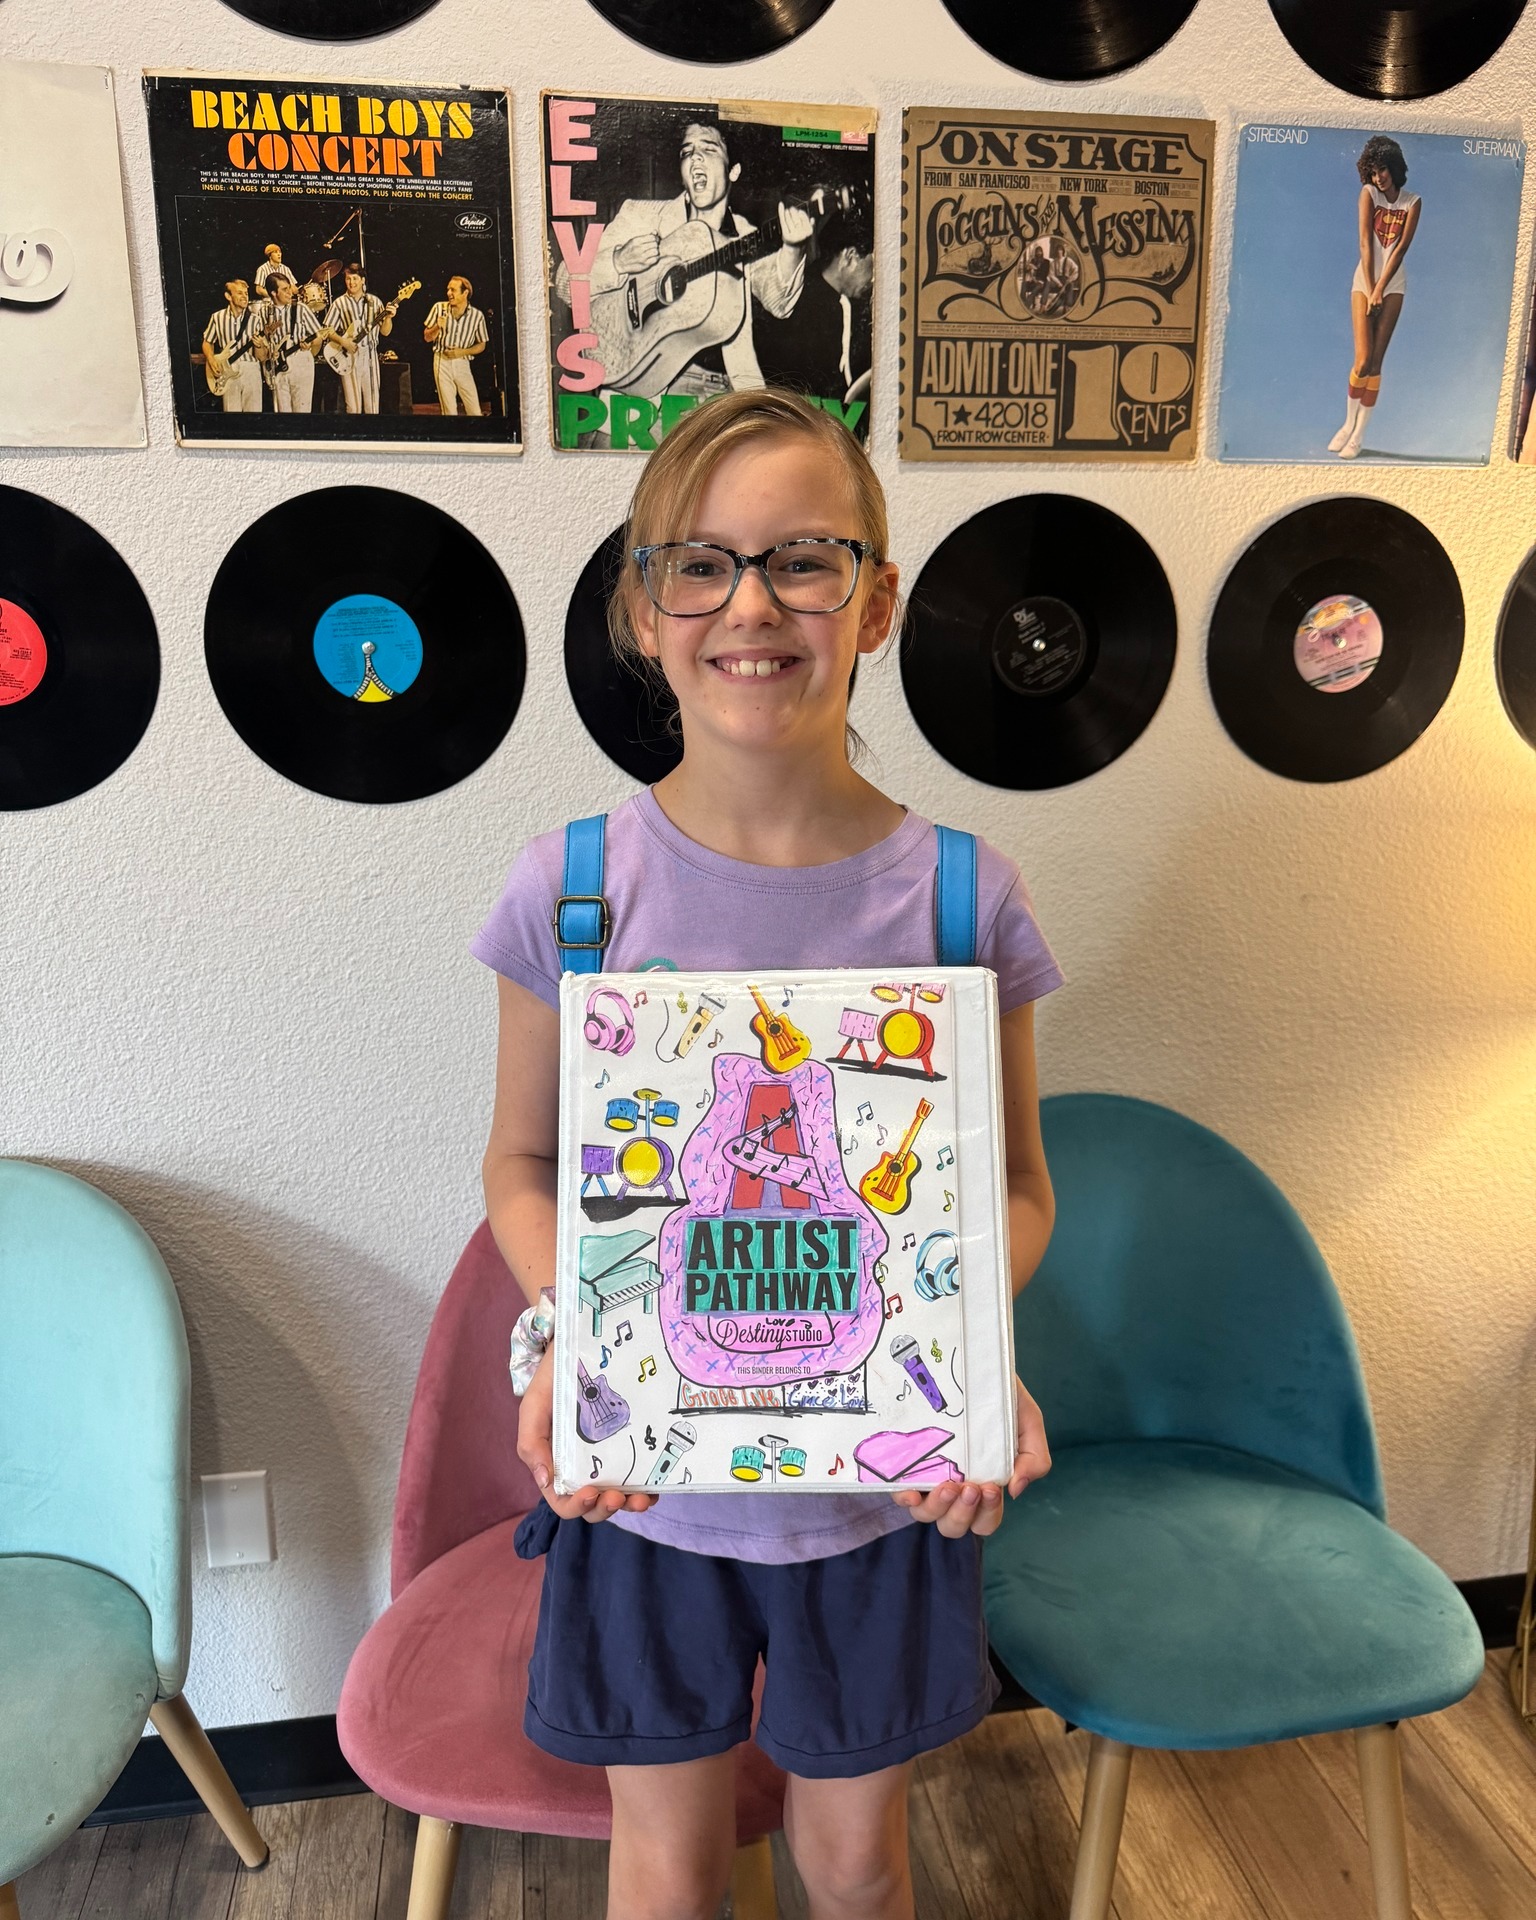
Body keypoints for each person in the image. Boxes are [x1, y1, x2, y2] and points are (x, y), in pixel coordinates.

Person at [472, 389, 1060, 1920]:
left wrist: (967, 1353)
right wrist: (569, 1335)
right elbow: (523, 1166)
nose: (752, 604)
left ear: (877, 602)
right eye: (702, 563)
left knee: (856, 1865)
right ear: (642, 608)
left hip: (880, 1504)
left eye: (804, 559)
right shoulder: (574, 893)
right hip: (646, 1496)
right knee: (666, 1871)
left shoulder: (961, 901)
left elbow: (1013, 1189)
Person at [579, 121, 814, 405]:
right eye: (686, 152)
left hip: (725, 393)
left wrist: (794, 247)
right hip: (645, 395)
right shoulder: (641, 215)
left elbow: (780, 303)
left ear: (733, 171)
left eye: (709, 149)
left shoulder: (745, 236)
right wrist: (618, 262)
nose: (695, 158)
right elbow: (568, 282)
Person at [1329, 135, 1420, 460]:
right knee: (1363, 360)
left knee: (1377, 362)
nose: (1378, 177)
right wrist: (1370, 288)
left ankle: (1358, 436)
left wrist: (1382, 288)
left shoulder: (1412, 202)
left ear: (1394, 167)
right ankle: (1347, 424)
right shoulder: (1368, 194)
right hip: (1364, 282)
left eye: (1382, 169)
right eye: (1372, 171)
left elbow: (1400, 248)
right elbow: (1366, 243)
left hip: (1393, 285)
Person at [755, 198, 873, 410]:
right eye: (874, 266)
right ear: (850, 257)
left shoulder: (846, 303)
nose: (874, 279)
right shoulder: (800, 301)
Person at [324, 262, 396, 415]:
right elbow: (328, 330)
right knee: (353, 407)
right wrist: (343, 342)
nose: (351, 282)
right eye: (348, 279)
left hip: (370, 356)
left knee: (373, 406)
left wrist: (389, 318)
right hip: (349, 356)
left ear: (363, 280)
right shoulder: (339, 303)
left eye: (355, 278)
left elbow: (385, 332)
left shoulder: (375, 302)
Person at [257, 274, 327, 414]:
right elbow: (262, 342)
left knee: (302, 411)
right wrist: (268, 351)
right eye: (285, 289)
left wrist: (310, 349)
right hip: (277, 366)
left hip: (300, 362)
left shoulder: (301, 308)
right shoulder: (264, 312)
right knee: (282, 412)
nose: (290, 292)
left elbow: (318, 336)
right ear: (273, 293)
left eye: (289, 288)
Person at [423, 275, 489, 415]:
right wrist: (437, 327)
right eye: (448, 289)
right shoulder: (438, 308)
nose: (449, 293)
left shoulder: (477, 316)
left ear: (465, 293)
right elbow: (427, 337)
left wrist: (462, 352)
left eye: (453, 290)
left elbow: (482, 344)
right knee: (449, 411)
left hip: (463, 364)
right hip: (442, 362)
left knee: (474, 410)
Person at [201, 279, 263, 412]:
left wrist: (259, 346)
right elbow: (207, 342)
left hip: (251, 369)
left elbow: (262, 356)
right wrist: (211, 360)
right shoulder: (217, 317)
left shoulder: (256, 320)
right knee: (231, 414)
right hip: (227, 370)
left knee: (254, 416)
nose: (245, 297)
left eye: (246, 293)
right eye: (240, 293)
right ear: (228, 296)